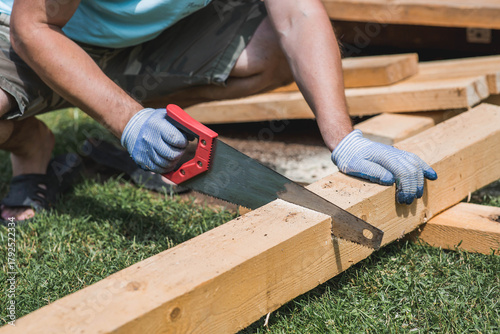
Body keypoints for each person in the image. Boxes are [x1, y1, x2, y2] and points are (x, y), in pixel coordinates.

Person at [0, 0, 437, 222]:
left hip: (147, 41)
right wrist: (128, 120)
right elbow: (32, 27)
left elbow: (298, 15)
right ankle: (31, 145)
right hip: (42, 36)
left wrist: (345, 137)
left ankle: (150, 122)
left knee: (273, 50)